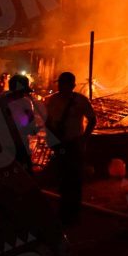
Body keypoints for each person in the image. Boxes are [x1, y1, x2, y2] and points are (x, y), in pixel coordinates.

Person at [44, 72, 97, 226]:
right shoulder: (52, 100)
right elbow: (48, 120)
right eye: (59, 84)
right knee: (62, 178)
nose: (60, 86)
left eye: (63, 84)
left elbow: (92, 120)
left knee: (74, 179)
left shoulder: (80, 101)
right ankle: (64, 211)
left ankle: (74, 213)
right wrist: (51, 137)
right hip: (59, 144)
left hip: (74, 144)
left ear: (72, 85)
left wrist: (84, 139)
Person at [0, 74, 39, 173]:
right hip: (11, 146)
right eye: (23, 91)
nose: (24, 94)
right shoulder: (21, 103)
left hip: (10, 145)